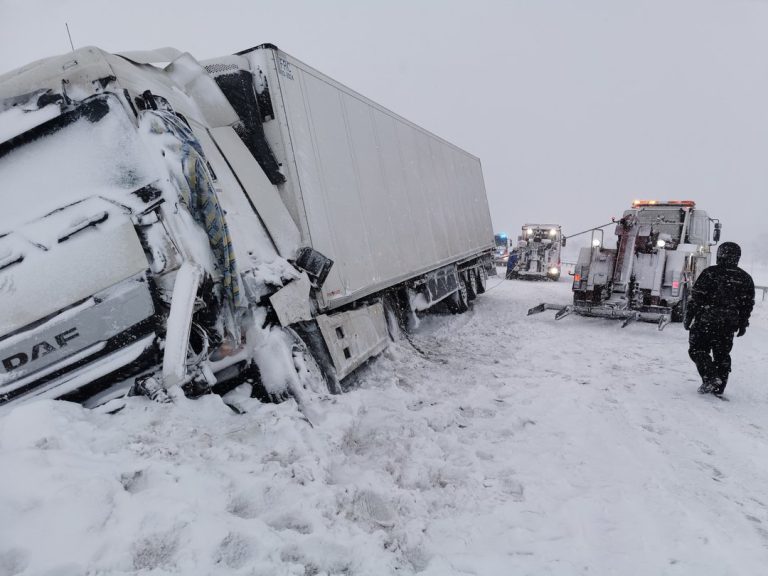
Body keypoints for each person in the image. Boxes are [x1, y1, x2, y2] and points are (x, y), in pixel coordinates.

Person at [684, 242, 754, 396]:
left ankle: (710, 377)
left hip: (706, 320)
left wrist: (689, 317)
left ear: (720, 254)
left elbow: (696, 297)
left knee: (697, 349)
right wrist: (743, 324)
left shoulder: (710, 273)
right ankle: (718, 387)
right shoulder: (745, 278)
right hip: (728, 325)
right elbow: (747, 305)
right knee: (722, 354)